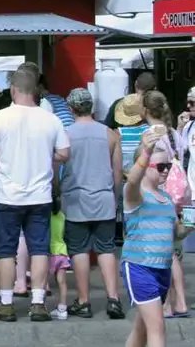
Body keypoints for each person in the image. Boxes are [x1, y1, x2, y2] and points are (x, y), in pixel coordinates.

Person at [0, 68, 70, 322]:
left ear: (13, 90)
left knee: (5, 250)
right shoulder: (50, 119)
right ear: (36, 91)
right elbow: (64, 153)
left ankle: (6, 303)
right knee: (40, 248)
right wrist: (44, 155)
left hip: (7, 195)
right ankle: (39, 303)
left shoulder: (1, 117)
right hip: (40, 196)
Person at [121, 131, 191, 347]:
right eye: (161, 167)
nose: (166, 171)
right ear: (143, 167)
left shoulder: (167, 198)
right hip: (139, 268)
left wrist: (188, 227)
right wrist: (147, 152)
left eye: (168, 166)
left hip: (162, 270)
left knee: (142, 328)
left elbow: (175, 233)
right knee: (157, 327)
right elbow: (132, 179)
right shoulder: (135, 194)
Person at [61, 87, 125, 319]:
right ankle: (114, 299)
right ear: (92, 107)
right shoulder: (110, 134)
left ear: (71, 109)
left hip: (76, 199)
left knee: (79, 250)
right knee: (106, 249)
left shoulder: (65, 134)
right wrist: (114, 196)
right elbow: (117, 173)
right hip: (104, 198)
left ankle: (84, 301)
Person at [141, 91, 189, 319]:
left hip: (160, 197)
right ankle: (180, 301)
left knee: (164, 254)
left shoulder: (150, 135)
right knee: (173, 252)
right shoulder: (173, 134)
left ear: (146, 110)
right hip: (179, 196)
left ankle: (168, 304)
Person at [48, 195, 71, 320]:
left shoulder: (46, 217)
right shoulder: (62, 216)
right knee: (62, 282)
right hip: (62, 252)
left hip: (49, 253)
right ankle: (62, 308)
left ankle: (40, 306)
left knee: (43, 282)